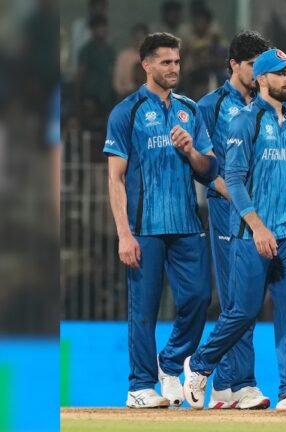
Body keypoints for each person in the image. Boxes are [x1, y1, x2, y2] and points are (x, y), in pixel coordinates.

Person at [183, 48, 286, 412]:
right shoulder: (245, 121)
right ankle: (200, 365)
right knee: (242, 312)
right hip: (251, 235)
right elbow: (233, 178)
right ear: (261, 79)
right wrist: (258, 227)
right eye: (280, 74)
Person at [104, 32, 218, 409]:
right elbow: (115, 178)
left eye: (177, 62)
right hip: (144, 228)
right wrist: (124, 234)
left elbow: (208, 169)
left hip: (186, 223)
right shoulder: (127, 112)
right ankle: (139, 386)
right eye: (165, 62)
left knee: (200, 298)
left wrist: (190, 151)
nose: (174, 68)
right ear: (146, 65)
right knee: (144, 310)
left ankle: (170, 362)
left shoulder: (190, 110)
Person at [113, 23, 149, 99]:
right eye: (136, 37)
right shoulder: (123, 56)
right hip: (126, 97)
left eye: (141, 38)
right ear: (132, 38)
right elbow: (117, 85)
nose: (138, 40)